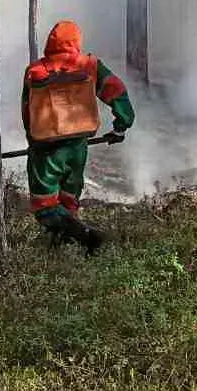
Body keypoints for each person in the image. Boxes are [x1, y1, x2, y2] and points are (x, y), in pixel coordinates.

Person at [21, 20, 135, 254]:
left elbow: (27, 112)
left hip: (46, 150)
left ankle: (86, 236)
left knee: (45, 206)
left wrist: (33, 143)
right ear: (76, 42)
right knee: (68, 198)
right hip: (78, 146)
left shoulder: (34, 71)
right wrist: (121, 126)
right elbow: (117, 91)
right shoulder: (90, 65)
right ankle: (61, 249)